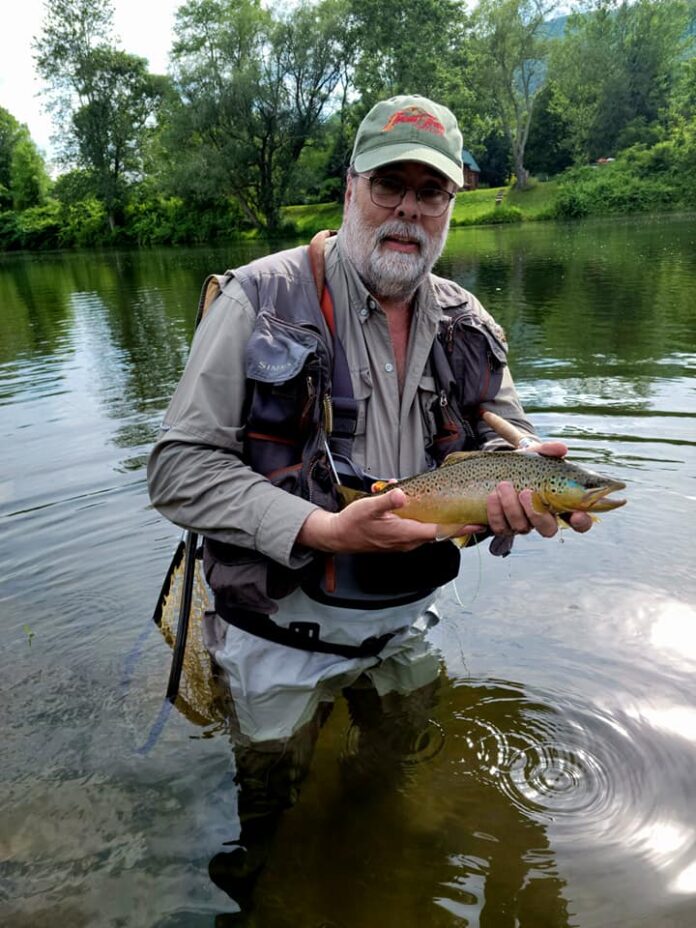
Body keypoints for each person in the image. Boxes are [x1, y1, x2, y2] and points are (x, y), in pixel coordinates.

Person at [147, 93, 591, 914]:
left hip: (403, 623)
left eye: (432, 192)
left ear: (451, 205)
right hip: (278, 632)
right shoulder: (255, 300)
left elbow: (507, 436)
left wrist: (531, 483)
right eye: (390, 185)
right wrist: (319, 528)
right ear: (350, 186)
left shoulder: (469, 321)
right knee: (273, 818)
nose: (409, 212)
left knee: (392, 788)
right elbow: (177, 470)